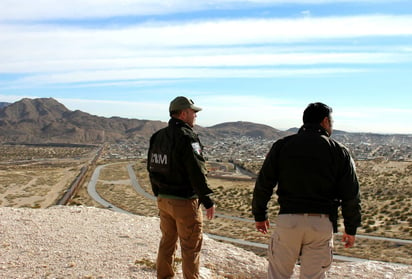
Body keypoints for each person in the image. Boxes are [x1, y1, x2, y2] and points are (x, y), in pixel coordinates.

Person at [252, 102, 361, 279]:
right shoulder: (339, 151)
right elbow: (351, 195)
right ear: (325, 121)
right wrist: (351, 227)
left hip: (288, 220)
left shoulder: (282, 145)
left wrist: (260, 215)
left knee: (278, 274)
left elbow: (264, 183)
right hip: (321, 223)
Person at [147, 96, 215, 279]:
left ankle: (164, 276)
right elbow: (196, 170)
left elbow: (151, 168)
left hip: (164, 199)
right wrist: (207, 199)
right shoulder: (188, 137)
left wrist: (158, 192)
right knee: (190, 246)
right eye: (194, 112)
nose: (195, 116)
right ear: (184, 113)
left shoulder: (157, 136)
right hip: (185, 202)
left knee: (167, 242)